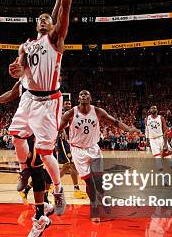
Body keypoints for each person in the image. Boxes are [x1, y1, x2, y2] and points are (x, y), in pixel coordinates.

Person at [8, 0, 82, 216]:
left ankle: (59, 189)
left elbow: (64, 9)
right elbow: (21, 67)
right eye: (39, 19)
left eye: (47, 19)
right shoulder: (26, 45)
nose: (43, 20)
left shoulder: (55, 40)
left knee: (46, 152)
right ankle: (24, 169)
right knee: (15, 136)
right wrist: (16, 70)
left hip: (49, 100)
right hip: (29, 97)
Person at [0, 82, 55, 237]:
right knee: (29, 160)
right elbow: (12, 92)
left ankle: (41, 217)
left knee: (36, 168)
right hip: (26, 128)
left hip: (40, 126)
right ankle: (44, 204)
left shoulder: (46, 79)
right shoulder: (25, 80)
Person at [58, 90, 137, 221]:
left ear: (90, 98)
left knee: (99, 182)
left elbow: (115, 122)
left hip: (93, 148)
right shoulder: (70, 113)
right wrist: (57, 134)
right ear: (78, 98)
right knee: (90, 183)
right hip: (78, 151)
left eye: (86, 94)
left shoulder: (98, 111)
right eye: (81, 95)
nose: (84, 96)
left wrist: (128, 129)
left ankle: (103, 198)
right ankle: (94, 208)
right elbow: (58, 128)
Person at [57, 99, 87, 199]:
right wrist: (62, 131)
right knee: (72, 164)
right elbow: (58, 126)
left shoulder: (74, 114)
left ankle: (53, 184)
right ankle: (76, 189)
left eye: (69, 103)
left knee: (66, 166)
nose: (68, 105)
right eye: (66, 103)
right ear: (63, 105)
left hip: (72, 141)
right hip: (64, 141)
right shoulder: (61, 114)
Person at [145, 105, 172, 174]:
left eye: (154, 108)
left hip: (161, 138)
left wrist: (165, 143)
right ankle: (163, 177)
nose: (153, 109)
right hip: (152, 140)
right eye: (151, 108)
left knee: (168, 157)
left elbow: (165, 131)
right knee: (157, 159)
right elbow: (147, 130)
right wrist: (147, 142)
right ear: (149, 110)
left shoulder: (161, 118)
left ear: (157, 110)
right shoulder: (147, 119)